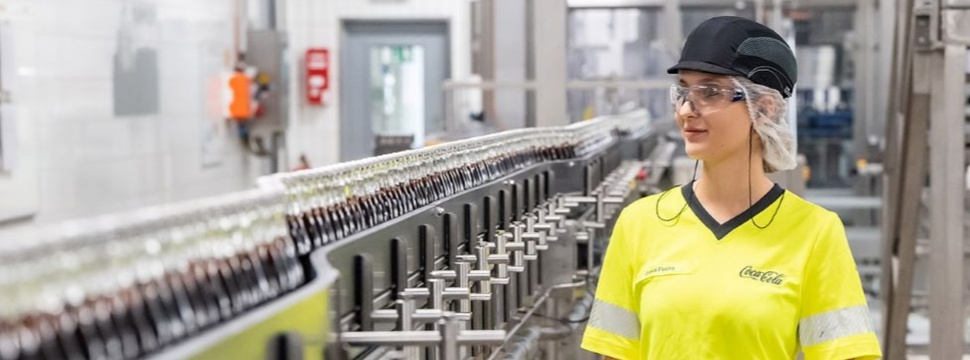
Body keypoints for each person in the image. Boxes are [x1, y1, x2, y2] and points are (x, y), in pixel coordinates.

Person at [580, 16, 881, 360]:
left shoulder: (814, 232)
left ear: (764, 109)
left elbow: (846, 353)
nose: (685, 110)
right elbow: (615, 353)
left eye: (709, 92)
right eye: (683, 91)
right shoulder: (639, 223)